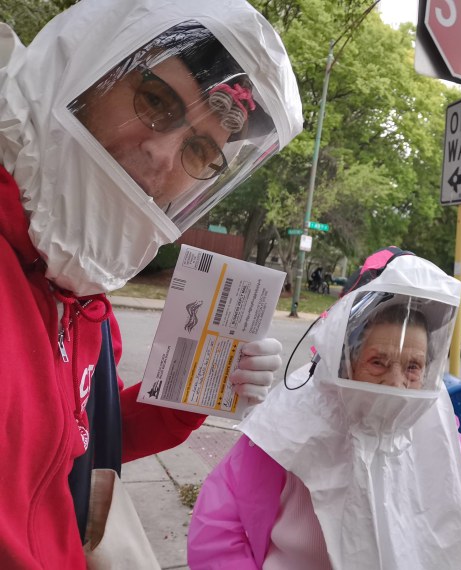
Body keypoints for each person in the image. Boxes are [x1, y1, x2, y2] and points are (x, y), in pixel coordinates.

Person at [0, 0, 302, 567]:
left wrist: (199, 387)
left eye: (199, 151)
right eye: (156, 101)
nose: (163, 153)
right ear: (88, 76)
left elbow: (78, 445)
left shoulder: (86, 309)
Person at [187, 253, 461, 569]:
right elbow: (220, 526)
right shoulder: (290, 427)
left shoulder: (431, 428)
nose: (397, 383)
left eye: (414, 367)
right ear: (343, 359)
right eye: (378, 362)